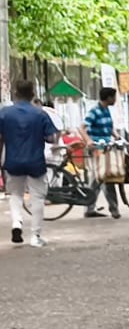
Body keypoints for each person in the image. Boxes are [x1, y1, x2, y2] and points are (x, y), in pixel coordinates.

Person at [1, 79, 61, 247]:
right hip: (36, 161)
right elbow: (51, 138)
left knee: (15, 194)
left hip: (13, 160)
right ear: (33, 94)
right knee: (38, 197)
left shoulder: (5, 113)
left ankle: (16, 223)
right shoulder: (40, 114)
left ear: (15, 93)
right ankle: (35, 236)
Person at [82, 86, 122, 219]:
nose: (115, 99)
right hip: (96, 148)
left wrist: (117, 136)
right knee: (104, 178)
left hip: (107, 147)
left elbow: (109, 127)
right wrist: (88, 141)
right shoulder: (95, 111)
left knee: (100, 179)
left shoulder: (106, 110)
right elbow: (82, 127)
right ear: (108, 98)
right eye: (114, 97)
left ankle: (90, 208)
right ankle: (113, 209)